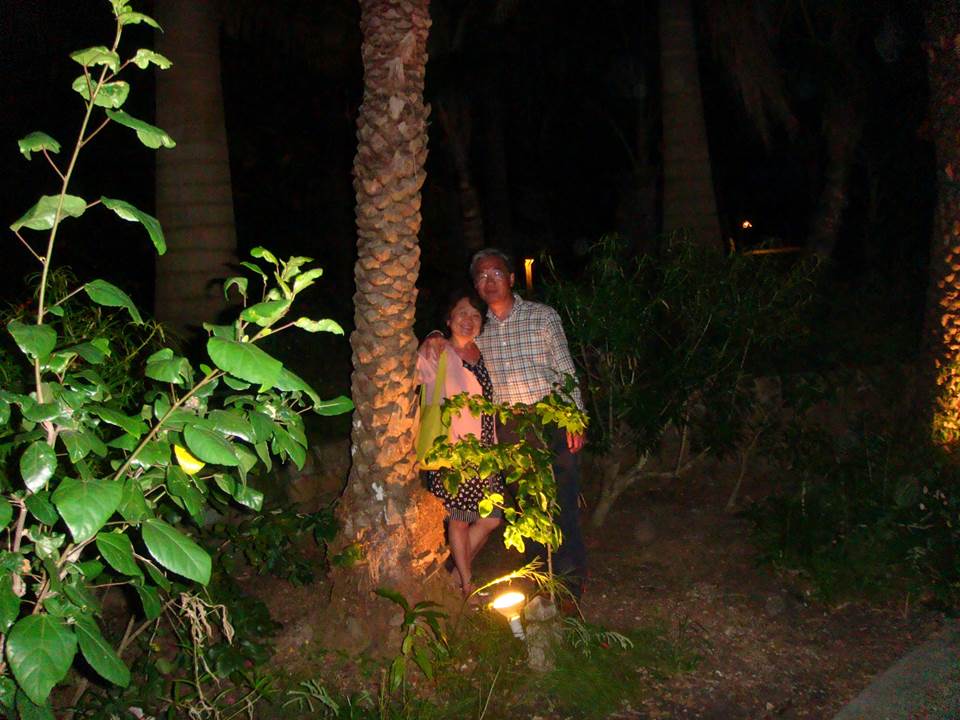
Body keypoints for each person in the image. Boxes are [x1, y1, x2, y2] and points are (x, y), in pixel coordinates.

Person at [421, 248, 588, 600]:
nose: (489, 281)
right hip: (509, 427)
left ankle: (570, 585)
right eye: (482, 276)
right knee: (527, 506)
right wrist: (434, 333)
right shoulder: (478, 331)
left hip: (550, 420)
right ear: (475, 285)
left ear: (511, 278)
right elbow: (450, 342)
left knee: (562, 502)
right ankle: (539, 580)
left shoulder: (542, 316)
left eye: (496, 273)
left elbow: (565, 370)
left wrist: (574, 418)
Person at [417, 289, 504, 600]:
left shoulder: (484, 352)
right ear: (449, 318)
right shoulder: (438, 351)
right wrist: (430, 338)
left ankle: (453, 579)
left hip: (486, 451)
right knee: (460, 520)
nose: (469, 320)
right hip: (453, 451)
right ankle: (467, 586)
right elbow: (409, 375)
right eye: (462, 313)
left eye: (476, 315)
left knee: (491, 518)